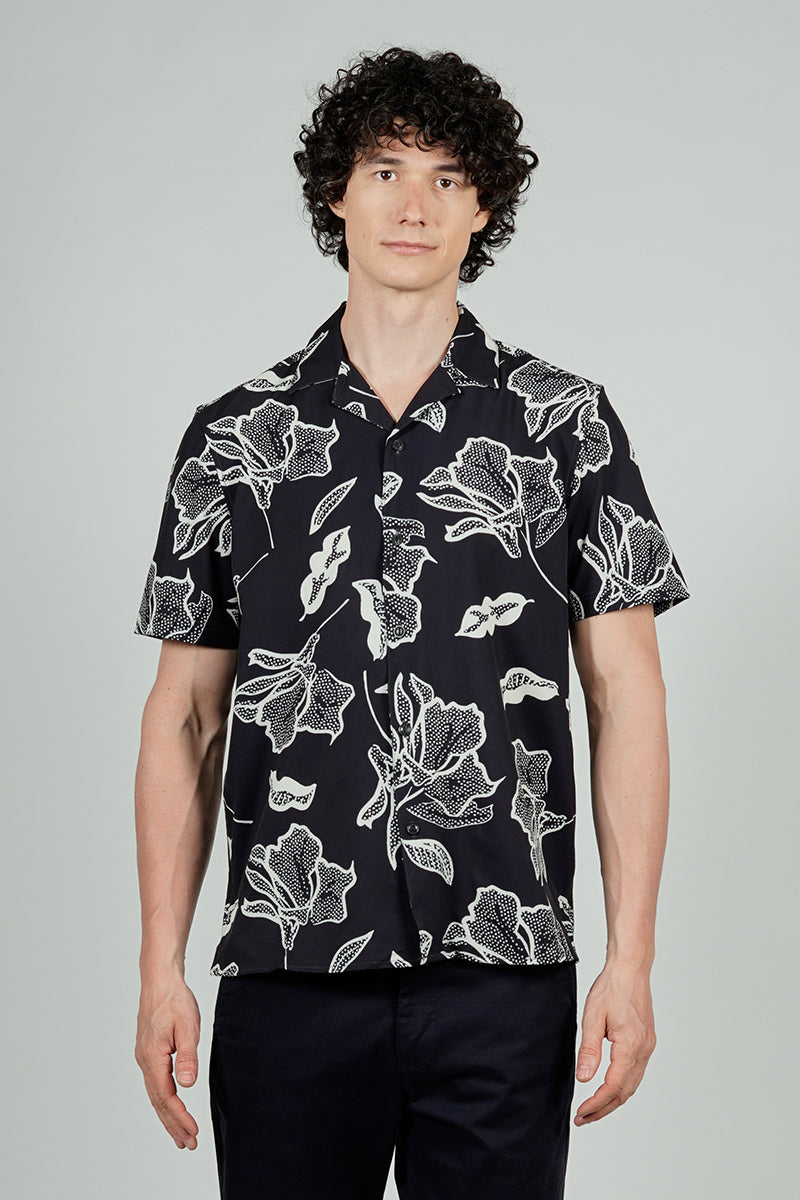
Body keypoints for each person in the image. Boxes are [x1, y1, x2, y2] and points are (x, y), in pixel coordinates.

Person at [132, 45, 691, 1200]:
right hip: (287, 970)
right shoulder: (232, 439)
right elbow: (185, 717)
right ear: (335, 193)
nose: (412, 204)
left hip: (502, 970)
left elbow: (626, 695)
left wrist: (630, 960)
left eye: (446, 177)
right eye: (384, 170)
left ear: (482, 208)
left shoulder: (563, 425)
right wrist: (158, 967)